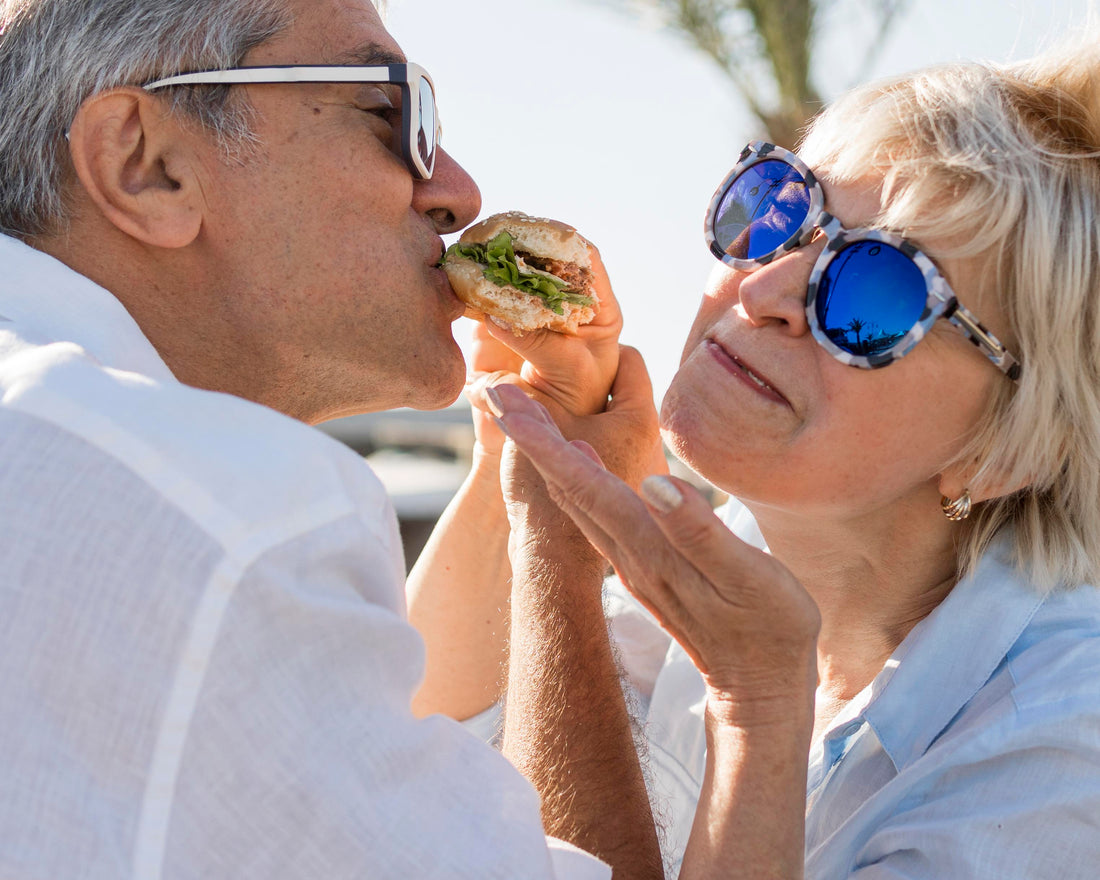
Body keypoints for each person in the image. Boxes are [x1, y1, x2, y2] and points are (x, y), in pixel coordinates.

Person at [0, 0, 665, 877]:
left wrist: (530, 471)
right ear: (146, 165)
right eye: (391, 111)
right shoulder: (220, 505)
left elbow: (366, 758)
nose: (456, 191)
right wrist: (756, 706)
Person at [410, 40, 1100, 878]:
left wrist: (757, 717)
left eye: (875, 290)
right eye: (779, 211)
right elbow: (422, 743)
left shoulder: (1063, 757)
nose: (764, 291)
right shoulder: (717, 569)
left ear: (1003, 450)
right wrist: (524, 443)